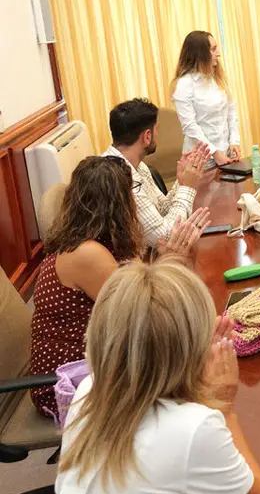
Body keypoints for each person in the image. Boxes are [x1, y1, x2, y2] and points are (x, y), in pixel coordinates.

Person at [53, 260, 260, 494]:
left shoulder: (88, 389)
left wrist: (192, 365)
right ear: (189, 349)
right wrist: (225, 408)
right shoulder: (194, 429)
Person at [29, 156, 208, 420]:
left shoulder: (102, 241)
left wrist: (162, 260)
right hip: (71, 381)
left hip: (105, 358)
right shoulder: (86, 253)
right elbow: (144, 312)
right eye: (132, 192)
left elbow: (137, 287)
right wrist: (172, 261)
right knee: (187, 362)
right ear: (118, 202)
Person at [105, 98, 212, 245]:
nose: (158, 135)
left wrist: (182, 180)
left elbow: (161, 209)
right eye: (157, 130)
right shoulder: (119, 177)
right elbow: (165, 237)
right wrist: (188, 187)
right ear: (147, 136)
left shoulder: (138, 166)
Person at [172, 30, 241, 166]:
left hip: (225, 154)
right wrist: (215, 153)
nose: (218, 54)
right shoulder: (184, 84)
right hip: (201, 160)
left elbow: (231, 112)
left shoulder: (217, 79)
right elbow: (190, 127)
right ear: (200, 53)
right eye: (213, 49)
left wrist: (234, 141)